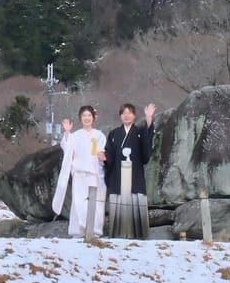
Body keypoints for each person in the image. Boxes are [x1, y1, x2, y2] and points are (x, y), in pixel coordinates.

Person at [101, 102, 157, 238]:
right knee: (119, 201)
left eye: (129, 113)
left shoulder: (139, 132)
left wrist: (149, 119)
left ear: (134, 116)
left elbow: (147, 146)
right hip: (118, 175)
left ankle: (138, 234)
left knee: (135, 199)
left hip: (135, 173)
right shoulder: (114, 134)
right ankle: (118, 233)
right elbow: (109, 153)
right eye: (124, 113)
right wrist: (104, 157)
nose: (126, 116)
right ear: (120, 116)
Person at [52, 105, 106, 237]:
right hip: (79, 175)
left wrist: (102, 156)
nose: (87, 118)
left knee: (94, 202)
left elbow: (102, 152)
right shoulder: (75, 136)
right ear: (80, 118)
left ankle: (94, 230)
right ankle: (78, 231)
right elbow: (66, 147)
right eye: (84, 116)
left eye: (89, 116)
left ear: (93, 118)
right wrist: (67, 133)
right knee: (79, 202)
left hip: (94, 174)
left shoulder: (99, 135)